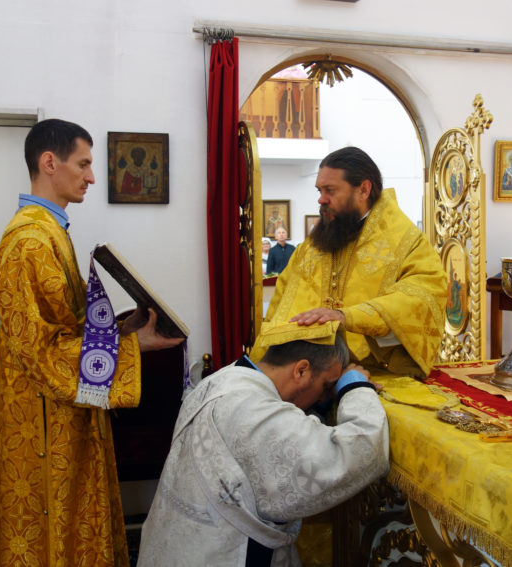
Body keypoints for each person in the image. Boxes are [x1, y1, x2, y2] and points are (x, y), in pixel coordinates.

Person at [0, 119, 185, 567]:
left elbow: (68, 331)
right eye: (83, 164)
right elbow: (42, 352)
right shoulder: (30, 242)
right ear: (49, 162)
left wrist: (123, 331)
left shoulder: (51, 231)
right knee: (52, 528)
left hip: (62, 409)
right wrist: (135, 347)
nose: (92, 177)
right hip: (44, 420)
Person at [137, 323, 389, 566]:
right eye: (327, 386)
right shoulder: (259, 415)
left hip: (171, 547)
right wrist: (355, 387)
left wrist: (320, 404)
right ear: (301, 370)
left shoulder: (222, 379)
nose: (326, 396)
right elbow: (362, 450)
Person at [253, 147, 448, 377]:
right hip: (305, 375)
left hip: (374, 373)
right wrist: (262, 366)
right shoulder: (311, 247)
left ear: (364, 190)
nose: (321, 199)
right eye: (319, 190)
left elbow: (423, 298)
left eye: (330, 190)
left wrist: (348, 317)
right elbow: (279, 306)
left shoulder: (406, 242)